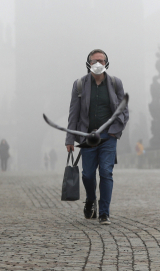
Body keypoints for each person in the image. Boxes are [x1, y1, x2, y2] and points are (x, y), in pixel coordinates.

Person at [65, 49, 129, 225]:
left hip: (108, 136)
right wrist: (69, 139)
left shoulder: (116, 83)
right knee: (87, 175)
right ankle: (91, 200)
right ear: (88, 64)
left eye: (101, 61)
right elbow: (74, 113)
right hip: (88, 137)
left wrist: (116, 130)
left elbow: (123, 109)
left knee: (106, 173)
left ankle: (104, 213)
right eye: (94, 61)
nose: (98, 64)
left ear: (107, 63)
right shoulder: (79, 85)